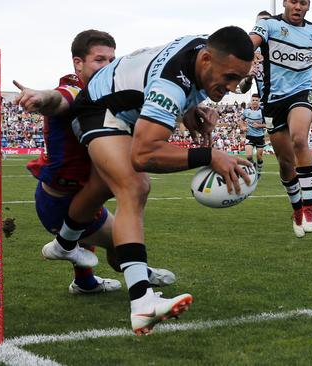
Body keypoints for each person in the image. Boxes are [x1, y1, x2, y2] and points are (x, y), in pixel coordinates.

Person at [62, 26, 254, 335]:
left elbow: (180, 74)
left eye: (239, 79)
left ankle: (64, 243)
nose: (232, 87)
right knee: (135, 186)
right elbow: (144, 155)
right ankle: (142, 303)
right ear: (206, 59)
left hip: (115, 104)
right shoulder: (170, 86)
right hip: (99, 109)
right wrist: (209, 156)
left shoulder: (201, 50)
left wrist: (190, 108)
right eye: (229, 77)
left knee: (100, 187)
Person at [13, 30, 175, 294]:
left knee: (110, 227)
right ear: (78, 63)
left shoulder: (108, 92)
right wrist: (41, 98)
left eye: (112, 60)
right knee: (122, 240)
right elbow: (58, 98)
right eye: (99, 60)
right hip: (60, 203)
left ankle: (84, 282)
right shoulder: (75, 90)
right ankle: (140, 279)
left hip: (85, 195)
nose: (107, 67)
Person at [249, 0, 312, 238]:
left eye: (303, 2)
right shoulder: (268, 25)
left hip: (300, 93)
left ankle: (309, 207)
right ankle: (297, 208)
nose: (298, 6)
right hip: (272, 101)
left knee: (300, 138)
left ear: (308, 6)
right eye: (293, 1)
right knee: (285, 162)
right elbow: (251, 42)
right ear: (284, 3)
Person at [240, 94, 266, 179]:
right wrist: (243, 127)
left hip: (260, 137)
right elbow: (241, 120)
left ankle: (258, 171)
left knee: (259, 156)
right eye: (253, 100)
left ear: (259, 102)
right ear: (251, 101)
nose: (254, 102)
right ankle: (253, 167)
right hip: (249, 136)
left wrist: (259, 126)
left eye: (256, 100)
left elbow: (269, 124)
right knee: (248, 156)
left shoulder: (263, 111)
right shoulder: (246, 111)